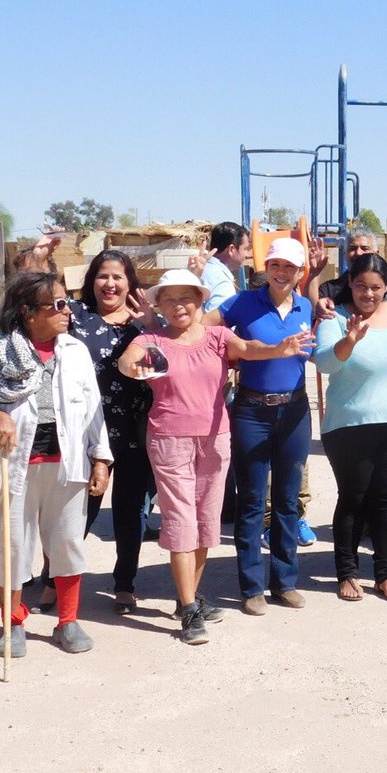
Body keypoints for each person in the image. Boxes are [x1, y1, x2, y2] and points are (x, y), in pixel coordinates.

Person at [118, 269, 310, 643]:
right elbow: (128, 360)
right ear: (159, 305)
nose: (179, 307)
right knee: (180, 521)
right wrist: (133, 367)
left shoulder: (218, 336)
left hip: (215, 438)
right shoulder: (152, 340)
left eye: (186, 298)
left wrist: (278, 348)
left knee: (206, 521)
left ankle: (188, 597)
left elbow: (249, 349)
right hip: (170, 440)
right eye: (169, 300)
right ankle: (190, 610)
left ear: (200, 301)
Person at [0, 272, 112, 657]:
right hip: (15, 467)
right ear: (28, 313)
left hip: (67, 465)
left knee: (66, 544)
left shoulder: (75, 350)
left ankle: (68, 622)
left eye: (67, 303)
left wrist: (101, 459)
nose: (67, 311)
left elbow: (93, 411)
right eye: (57, 305)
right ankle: (12, 624)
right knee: (13, 546)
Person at [204, 238, 314, 613]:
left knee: (287, 499)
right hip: (252, 411)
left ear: (301, 273)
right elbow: (205, 327)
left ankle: (284, 582)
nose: (281, 273)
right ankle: (251, 588)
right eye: (275, 266)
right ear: (265, 268)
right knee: (252, 500)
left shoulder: (306, 306)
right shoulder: (243, 302)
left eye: (290, 267)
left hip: (295, 412)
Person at [312, 254, 387, 602]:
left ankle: (385, 576)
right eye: (360, 286)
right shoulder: (334, 316)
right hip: (349, 426)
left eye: (376, 287)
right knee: (354, 500)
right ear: (350, 284)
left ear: (386, 287)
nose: (368, 294)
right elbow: (325, 362)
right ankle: (347, 573)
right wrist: (350, 341)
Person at [56, 250, 157, 614]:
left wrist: (151, 325)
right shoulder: (75, 315)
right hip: (81, 431)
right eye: (102, 276)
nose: (110, 283)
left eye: (118, 277)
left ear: (130, 283)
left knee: (130, 512)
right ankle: (56, 578)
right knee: (75, 510)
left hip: (131, 430)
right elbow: (35, 302)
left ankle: (125, 584)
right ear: (91, 280)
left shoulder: (143, 324)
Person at [309, 228, 377, 315]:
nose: (358, 253)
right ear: (345, 254)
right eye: (352, 248)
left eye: (365, 248)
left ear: (376, 254)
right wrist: (314, 272)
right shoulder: (329, 290)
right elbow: (313, 312)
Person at [201, 221, 252, 312]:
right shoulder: (222, 282)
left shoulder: (203, 271)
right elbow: (215, 323)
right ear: (231, 249)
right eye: (245, 249)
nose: (248, 255)